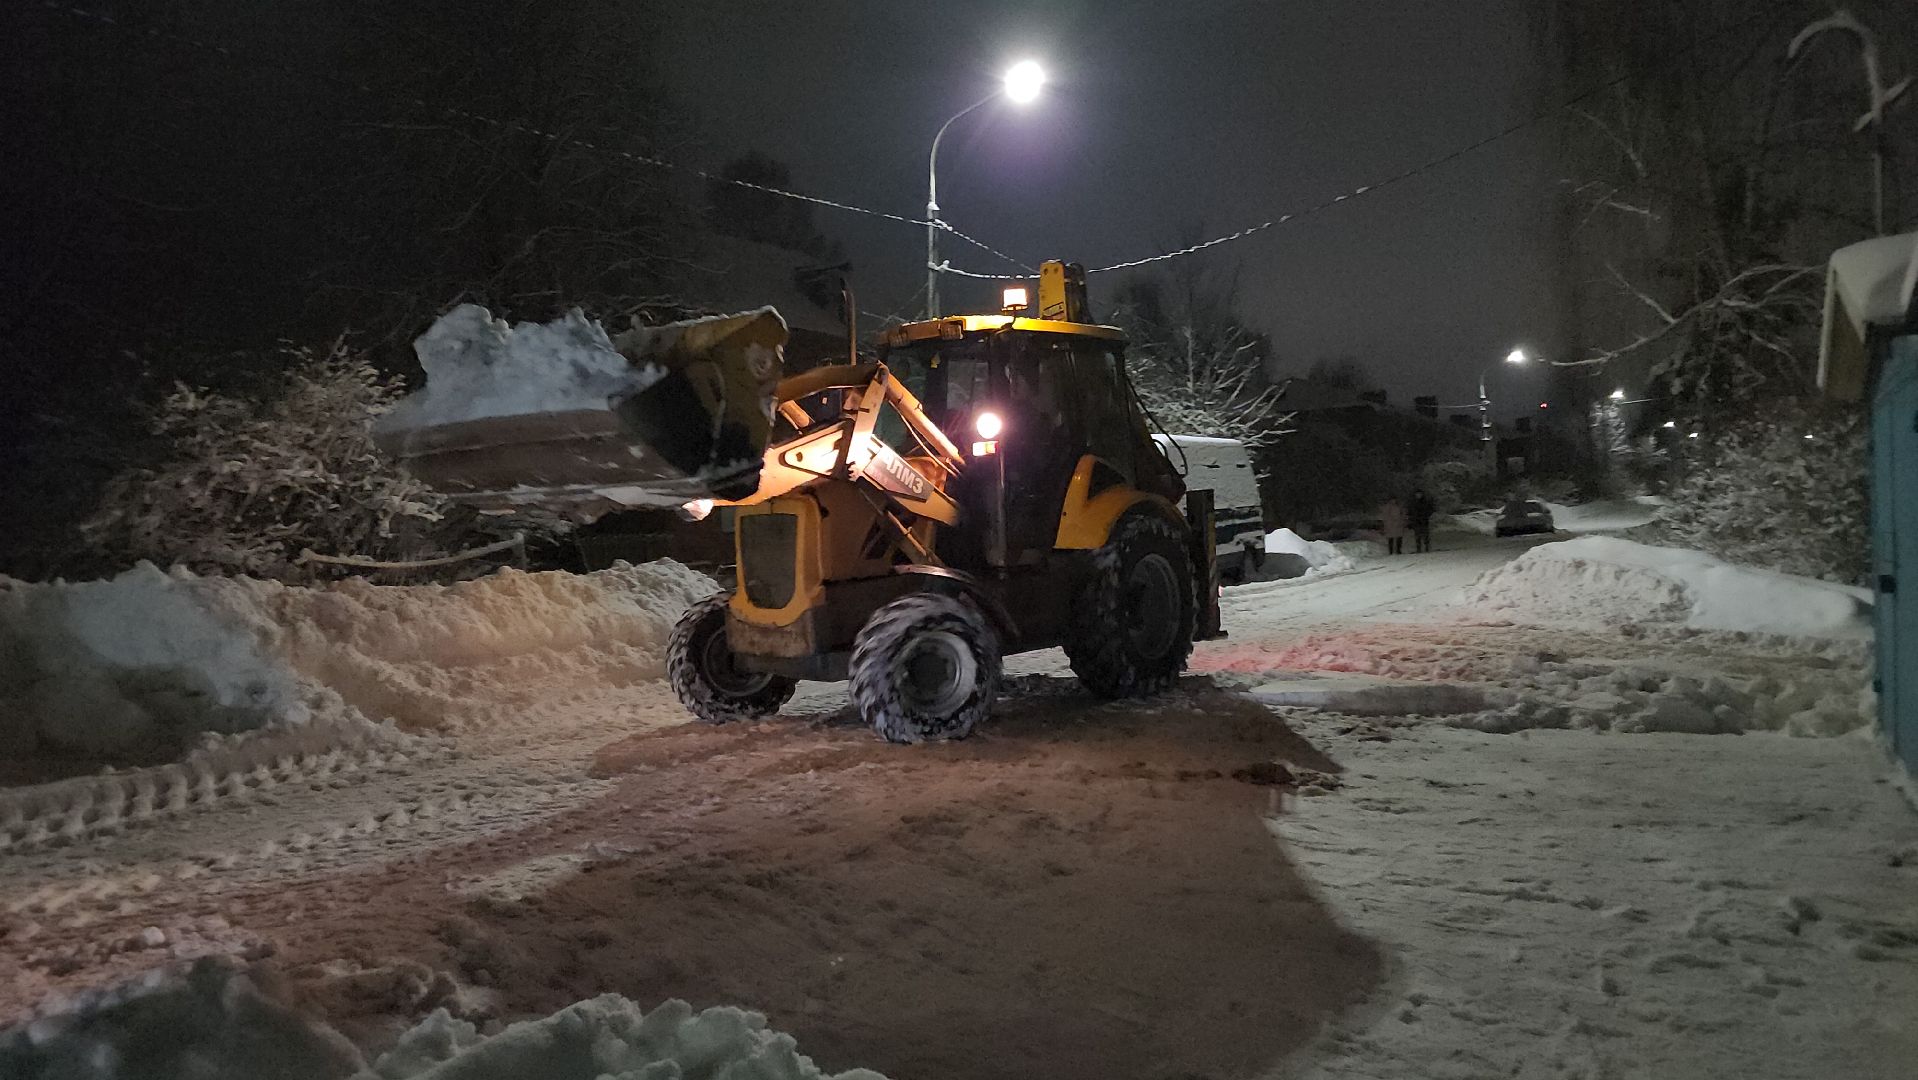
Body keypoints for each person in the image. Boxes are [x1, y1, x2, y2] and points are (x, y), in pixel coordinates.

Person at [1408, 488, 1436, 554]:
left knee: (1425, 535)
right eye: (1417, 494)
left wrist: (1426, 515)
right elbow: (1410, 511)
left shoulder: (1425, 502)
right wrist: (1411, 518)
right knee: (1417, 535)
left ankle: (1427, 547)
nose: (1418, 495)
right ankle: (1418, 548)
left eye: (1419, 494)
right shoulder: (1413, 502)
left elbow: (1431, 509)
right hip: (1416, 521)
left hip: (1424, 520)